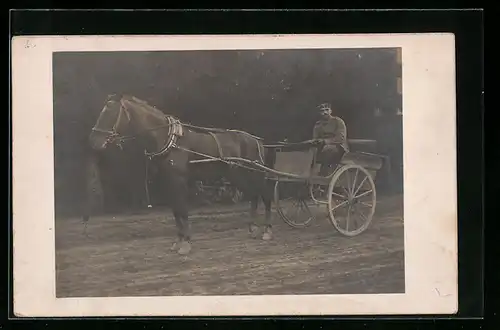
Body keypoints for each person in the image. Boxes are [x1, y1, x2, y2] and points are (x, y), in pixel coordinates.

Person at [309, 103, 349, 176]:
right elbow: (315, 138)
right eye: (322, 111)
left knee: (327, 149)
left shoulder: (338, 121)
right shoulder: (318, 124)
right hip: (322, 147)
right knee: (311, 152)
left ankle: (325, 173)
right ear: (319, 113)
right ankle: (311, 174)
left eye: (327, 110)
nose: (325, 112)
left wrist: (325, 141)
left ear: (331, 111)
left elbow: (341, 138)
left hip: (339, 147)